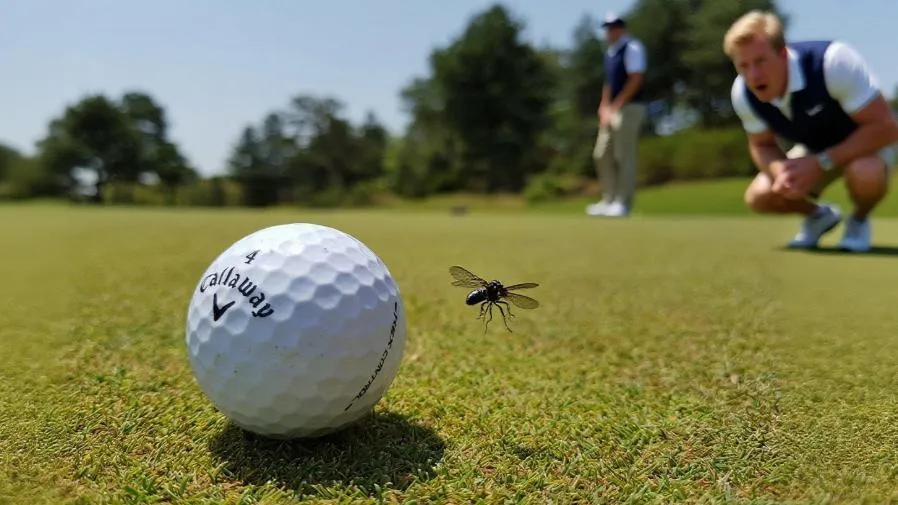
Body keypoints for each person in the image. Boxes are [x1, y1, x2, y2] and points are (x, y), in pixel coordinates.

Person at [725, 10, 898, 252]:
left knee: (865, 172)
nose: (753, 75)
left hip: (866, 143)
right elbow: (761, 144)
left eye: (760, 61)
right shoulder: (743, 93)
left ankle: (859, 219)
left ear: (782, 53)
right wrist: (780, 172)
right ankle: (819, 216)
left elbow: (888, 127)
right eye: (743, 65)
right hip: (815, 149)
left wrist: (821, 162)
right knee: (760, 195)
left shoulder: (832, 62)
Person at [586, 12, 648, 218]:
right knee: (601, 154)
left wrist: (617, 104)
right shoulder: (610, 53)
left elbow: (636, 78)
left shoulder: (632, 48)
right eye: (606, 28)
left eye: (612, 27)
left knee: (624, 156)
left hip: (630, 108)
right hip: (612, 109)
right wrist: (604, 107)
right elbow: (609, 84)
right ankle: (609, 199)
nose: (608, 31)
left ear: (621, 29)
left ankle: (623, 203)